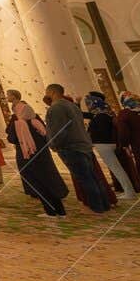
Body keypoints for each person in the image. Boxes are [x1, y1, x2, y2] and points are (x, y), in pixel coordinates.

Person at [43, 84, 113, 212]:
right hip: (83, 144)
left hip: (71, 147)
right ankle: (104, 204)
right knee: (92, 177)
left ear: (52, 92)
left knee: (85, 179)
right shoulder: (71, 106)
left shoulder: (56, 108)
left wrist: (54, 144)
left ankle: (97, 207)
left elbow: (59, 130)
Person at [7, 98, 69, 216]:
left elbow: (11, 139)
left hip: (27, 158)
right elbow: (46, 136)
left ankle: (50, 212)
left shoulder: (19, 124)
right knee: (48, 182)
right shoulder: (36, 122)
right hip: (43, 157)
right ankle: (60, 210)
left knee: (38, 185)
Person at [83, 91, 139, 200]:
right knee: (118, 169)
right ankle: (129, 191)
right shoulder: (107, 114)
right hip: (111, 143)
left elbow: (94, 131)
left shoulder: (98, 116)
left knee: (117, 169)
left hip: (103, 145)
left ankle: (129, 192)